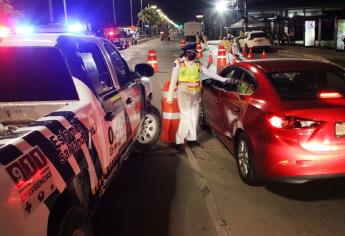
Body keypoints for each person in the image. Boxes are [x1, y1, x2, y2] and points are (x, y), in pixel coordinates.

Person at [167, 43, 230, 150]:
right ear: (187, 52)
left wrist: (222, 79)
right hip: (184, 93)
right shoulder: (178, 62)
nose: (194, 54)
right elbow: (173, 79)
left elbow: (208, 72)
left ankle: (192, 139)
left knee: (194, 117)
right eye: (192, 52)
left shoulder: (196, 63)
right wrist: (169, 95)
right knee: (186, 116)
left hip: (195, 94)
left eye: (195, 53)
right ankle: (179, 141)